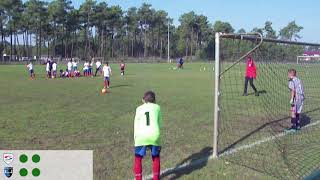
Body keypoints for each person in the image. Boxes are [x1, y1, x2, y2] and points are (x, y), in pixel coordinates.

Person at [133, 91, 162, 180]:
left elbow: (136, 124)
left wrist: (136, 139)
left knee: (138, 159)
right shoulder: (157, 107)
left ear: (144, 99)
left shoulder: (138, 108)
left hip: (141, 136)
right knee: (156, 157)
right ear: (154, 100)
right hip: (154, 135)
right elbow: (159, 124)